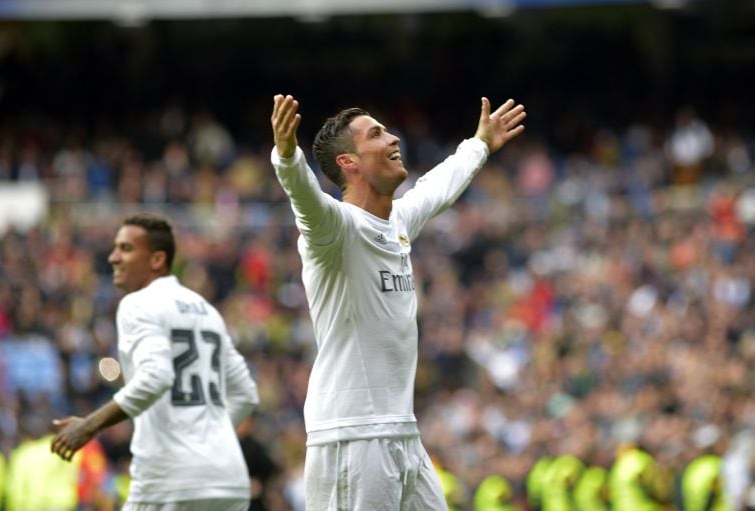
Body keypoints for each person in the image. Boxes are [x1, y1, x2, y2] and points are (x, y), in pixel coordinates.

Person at [270, 93, 526, 510]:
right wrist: (286, 156)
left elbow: (437, 188)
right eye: (376, 135)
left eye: (387, 130)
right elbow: (305, 202)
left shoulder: (396, 222)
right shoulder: (336, 229)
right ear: (348, 163)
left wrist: (480, 144)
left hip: (402, 432)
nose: (393, 139)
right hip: (351, 435)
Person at [51, 213, 260, 511]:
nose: (113, 258)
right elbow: (246, 394)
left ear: (156, 260)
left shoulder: (138, 304)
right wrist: (207, 438)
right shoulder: (206, 310)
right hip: (227, 478)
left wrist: (89, 426)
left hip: (170, 480)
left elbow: (155, 377)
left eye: (125, 248)